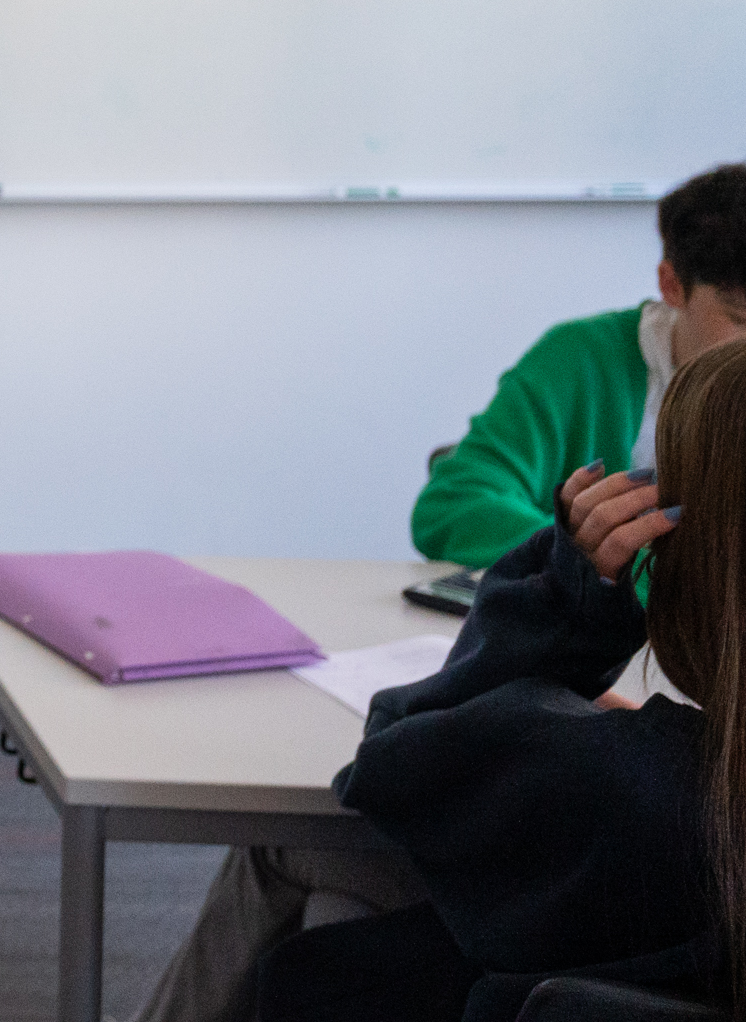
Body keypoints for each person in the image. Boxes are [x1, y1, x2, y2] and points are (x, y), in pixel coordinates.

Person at [247, 337, 740, 1020]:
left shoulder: (615, 777)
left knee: (298, 883)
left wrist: (571, 601)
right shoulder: (651, 775)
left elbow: (393, 762)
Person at [414, 162, 746, 570]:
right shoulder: (580, 360)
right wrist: (584, 559)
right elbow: (454, 503)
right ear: (672, 285)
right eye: (740, 319)